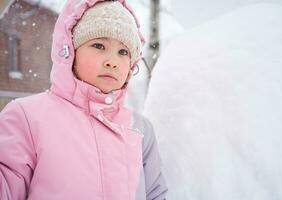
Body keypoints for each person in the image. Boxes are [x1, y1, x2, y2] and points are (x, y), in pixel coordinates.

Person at [0, 0, 168, 199]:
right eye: (99, 45)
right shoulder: (26, 117)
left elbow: (155, 194)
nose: (112, 61)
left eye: (123, 52)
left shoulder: (140, 128)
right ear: (70, 51)